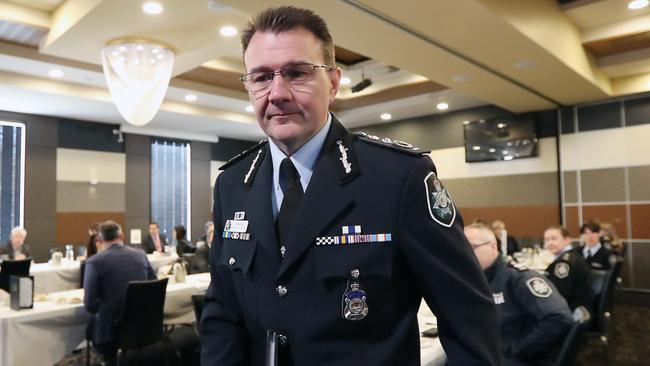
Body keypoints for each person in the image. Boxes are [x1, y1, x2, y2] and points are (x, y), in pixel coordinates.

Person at [201, 6, 501, 366]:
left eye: (297, 73)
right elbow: (223, 312)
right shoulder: (233, 182)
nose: (277, 92)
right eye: (261, 77)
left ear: (333, 81)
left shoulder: (397, 177)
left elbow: (468, 317)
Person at [465, 223, 572, 366]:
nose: (465, 253)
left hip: (515, 358)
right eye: (461, 248)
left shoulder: (519, 278)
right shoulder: (481, 278)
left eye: (472, 247)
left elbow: (559, 318)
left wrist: (515, 350)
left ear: (492, 247)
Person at [83, 221, 157, 365]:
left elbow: (90, 305)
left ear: (99, 240)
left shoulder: (94, 262)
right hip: (144, 325)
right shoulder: (140, 255)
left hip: (110, 331)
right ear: (122, 236)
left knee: (91, 326)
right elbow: (153, 283)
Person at [543, 225, 594, 311]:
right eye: (547, 240)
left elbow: (558, 294)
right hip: (577, 306)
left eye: (554, 239)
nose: (550, 243)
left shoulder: (564, 262)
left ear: (567, 240)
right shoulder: (572, 255)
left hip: (571, 310)